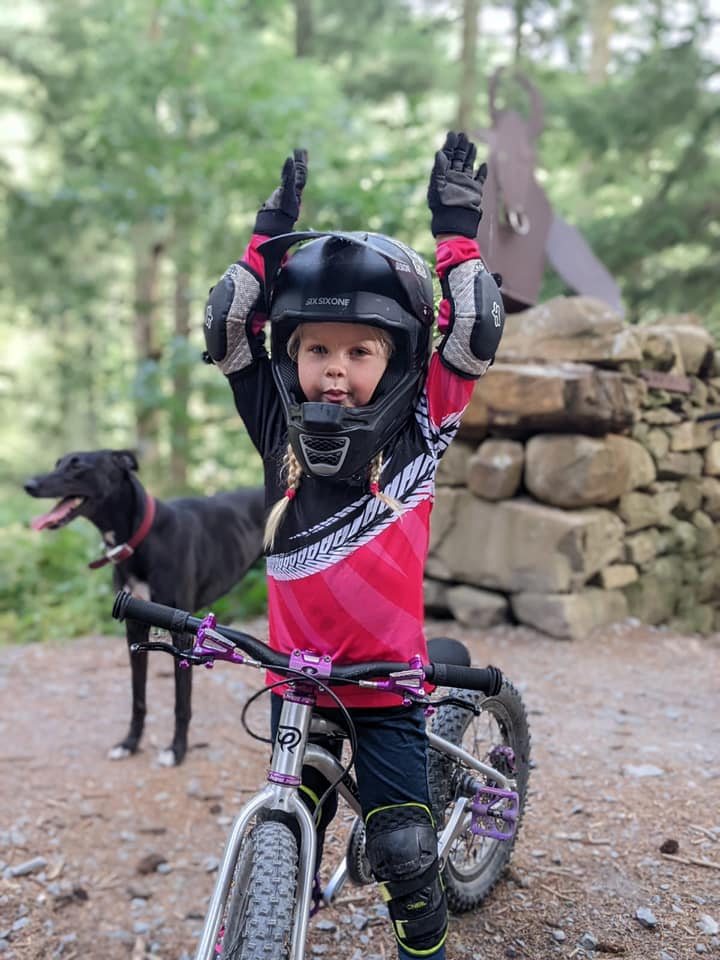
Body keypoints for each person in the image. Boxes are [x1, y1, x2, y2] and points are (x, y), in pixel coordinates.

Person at [203, 132, 505, 960]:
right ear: (290, 353)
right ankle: (273, 922)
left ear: (396, 356)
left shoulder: (419, 432)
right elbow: (225, 327)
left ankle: (427, 947)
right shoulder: (278, 430)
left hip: (386, 689)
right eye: (316, 350)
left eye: (361, 351)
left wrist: (457, 232)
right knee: (291, 825)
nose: (336, 370)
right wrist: (267, 240)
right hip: (300, 687)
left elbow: (475, 327)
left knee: (407, 857)